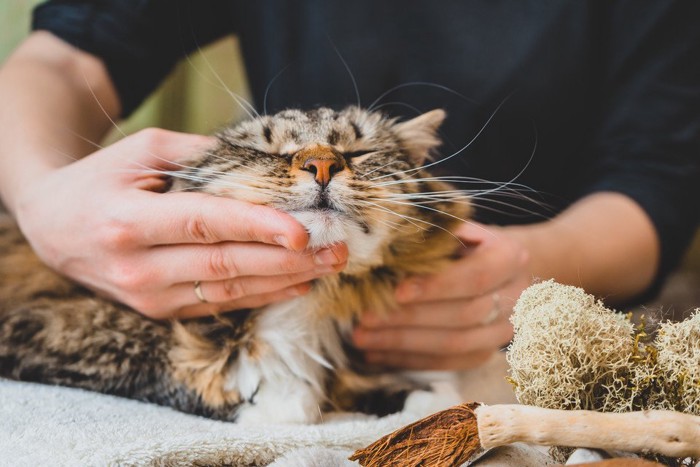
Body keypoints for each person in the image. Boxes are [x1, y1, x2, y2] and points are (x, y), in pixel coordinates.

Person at [0, 1, 698, 371]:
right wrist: (43, 197)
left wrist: (535, 270)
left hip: (520, 295)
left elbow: (657, 180)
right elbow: (63, 59)